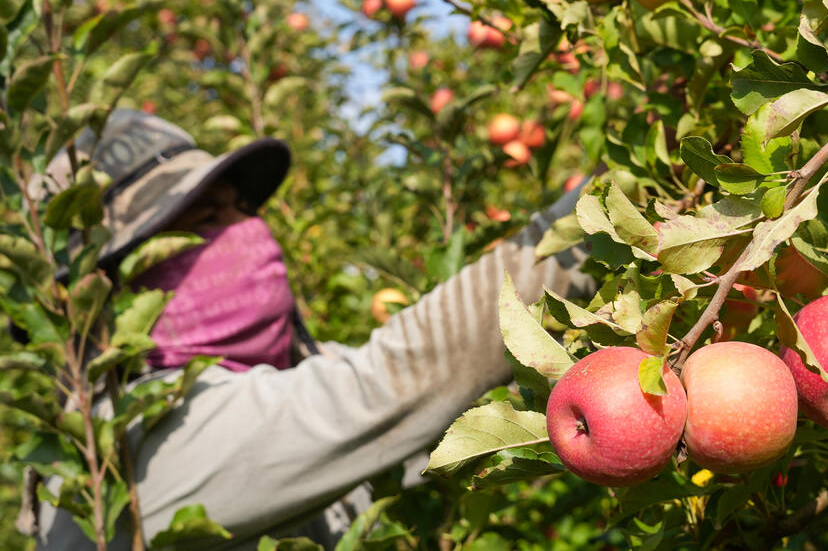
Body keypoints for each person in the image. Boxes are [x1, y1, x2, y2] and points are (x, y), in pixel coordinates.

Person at [29, 109, 594, 549]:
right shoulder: (132, 445)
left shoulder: (271, 385)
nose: (247, 229)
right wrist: (595, 222)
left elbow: (442, 432)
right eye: (204, 220)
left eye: (238, 207)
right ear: (108, 289)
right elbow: (388, 386)